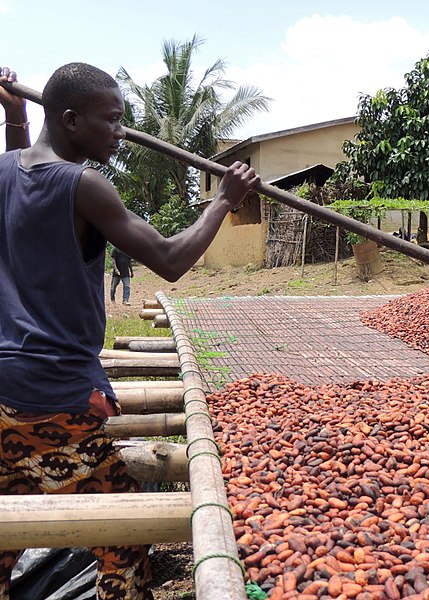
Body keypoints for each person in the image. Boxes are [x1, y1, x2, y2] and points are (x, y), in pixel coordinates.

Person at [0, 63, 260, 600]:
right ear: (71, 120)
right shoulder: (85, 185)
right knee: (125, 539)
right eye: (112, 120)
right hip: (55, 398)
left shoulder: (3, 169)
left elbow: (20, 173)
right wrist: (223, 200)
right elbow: (168, 259)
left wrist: (14, 117)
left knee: (7, 527)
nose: (120, 132)